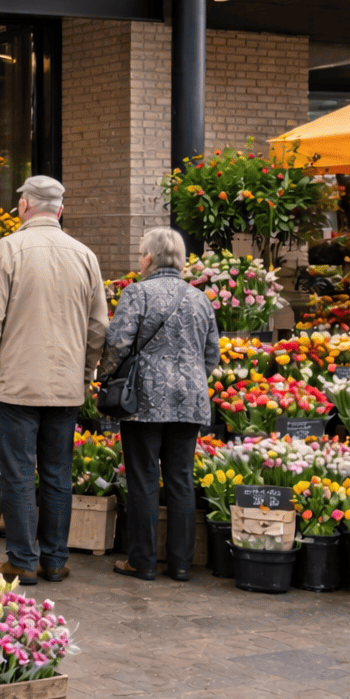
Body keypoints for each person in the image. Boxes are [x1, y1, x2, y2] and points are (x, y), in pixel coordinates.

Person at [0, 175, 108, 586]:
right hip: (65, 385)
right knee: (58, 474)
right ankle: (55, 559)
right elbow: (98, 326)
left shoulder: (7, 250)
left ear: (24, 206)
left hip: (15, 383)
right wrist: (85, 373)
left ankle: (23, 561)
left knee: (17, 473)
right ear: (60, 210)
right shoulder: (85, 255)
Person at [98, 227, 219, 582]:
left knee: (144, 478)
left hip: (145, 401)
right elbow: (211, 353)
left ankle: (143, 560)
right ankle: (181, 564)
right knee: (181, 479)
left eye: (141, 253)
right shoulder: (200, 299)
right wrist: (191, 377)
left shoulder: (138, 293)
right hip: (191, 399)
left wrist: (104, 376)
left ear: (148, 258)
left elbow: (118, 344)